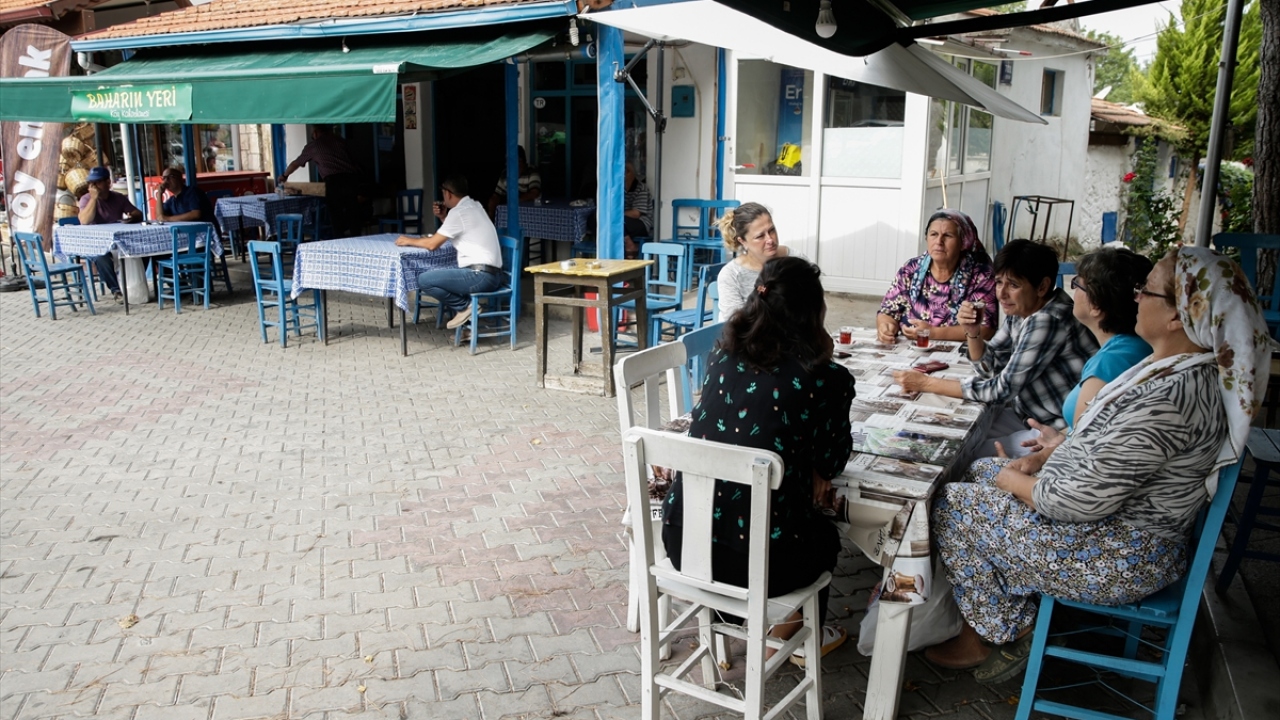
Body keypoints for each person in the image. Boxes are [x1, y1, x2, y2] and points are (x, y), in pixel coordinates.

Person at [922, 247, 1273, 685]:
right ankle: (1001, 604)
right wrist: (1051, 450)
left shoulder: (1171, 396)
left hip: (1118, 555)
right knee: (977, 474)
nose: (1137, 297)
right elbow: (1102, 443)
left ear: (1180, 316)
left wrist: (1017, 478)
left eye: (1146, 291)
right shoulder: (1167, 368)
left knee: (954, 504)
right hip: (1110, 528)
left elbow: (1074, 501)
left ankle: (1008, 631)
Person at [662, 256, 854, 666]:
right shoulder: (825, 377)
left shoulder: (720, 355)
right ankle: (784, 636)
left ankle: (736, 617)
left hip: (685, 543)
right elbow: (833, 459)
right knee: (827, 537)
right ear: (814, 311)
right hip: (763, 564)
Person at [891, 239, 1098, 443]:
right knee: (945, 432)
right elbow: (990, 368)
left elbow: (1000, 390)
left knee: (963, 449)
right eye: (999, 282)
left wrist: (927, 383)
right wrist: (972, 331)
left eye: (1013, 285)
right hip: (1026, 414)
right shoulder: (1022, 308)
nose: (1002, 293)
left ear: (1042, 286)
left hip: (1057, 432)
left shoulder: (1048, 319)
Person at [395, 175, 502, 330]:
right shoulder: (476, 206)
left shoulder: (458, 212)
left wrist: (408, 240)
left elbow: (432, 244)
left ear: (448, 193)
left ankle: (466, 308)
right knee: (444, 276)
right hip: (494, 276)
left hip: (479, 276)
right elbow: (461, 229)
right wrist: (443, 217)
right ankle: (469, 327)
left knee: (424, 279)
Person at [877, 209, 997, 343]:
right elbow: (888, 311)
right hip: (912, 349)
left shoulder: (980, 275)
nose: (939, 241)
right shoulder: (910, 269)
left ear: (963, 242)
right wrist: (886, 327)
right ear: (926, 238)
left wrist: (933, 333)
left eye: (948, 235)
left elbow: (986, 329)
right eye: (933, 234)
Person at [279, 125, 363, 237]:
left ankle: (340, 242)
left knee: (336, 215)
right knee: (353, 212)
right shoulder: (340, 141)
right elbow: (354, 161)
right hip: (350, 179)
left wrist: (284, 175)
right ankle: (357, 239)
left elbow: (296, 163)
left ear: (316, 132)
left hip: (333, 182)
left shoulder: (313, 146)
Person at [715, 202, 789, 322]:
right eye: (760, 236)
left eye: (772, 230)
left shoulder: (796, 261)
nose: (770, 239)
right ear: (742, 241)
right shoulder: (731, 275)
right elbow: (737, 325)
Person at [77, 166, 141, 303]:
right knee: (101, 257)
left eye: (97, 182)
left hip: (117, 240)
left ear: (108, 183)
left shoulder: (117, 197)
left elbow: (137, 213)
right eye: (90, 183)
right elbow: (84, 220)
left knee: (140, 250)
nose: (93, 186)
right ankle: (116, 290)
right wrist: (94, 199)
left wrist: (132, 216)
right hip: (94, 243)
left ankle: (136, 285)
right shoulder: (85, 199)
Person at [486, 145, 542, 218]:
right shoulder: (505, 173)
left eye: (509, 160)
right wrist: (492, 204)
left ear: (520, 161)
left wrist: (514, 201)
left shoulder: (532, 172)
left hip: (531, 213)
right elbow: (497, 194)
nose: (506, 163)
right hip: (511, 210)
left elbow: (534, 194)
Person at [622, 163, 652, 257]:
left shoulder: (641, 188)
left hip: (641, 223)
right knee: (596, 218)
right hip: (625, 223)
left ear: (630, 174)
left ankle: (628, 243)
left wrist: (617, 214)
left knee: (617, 220)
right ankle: (629, 242)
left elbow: (636, 214)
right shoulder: (619, 188)